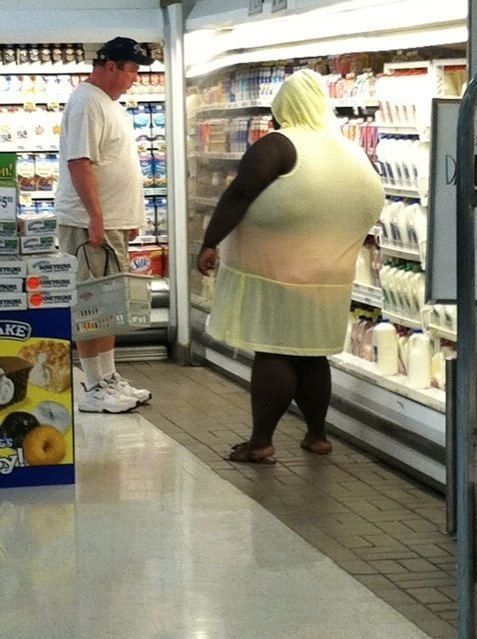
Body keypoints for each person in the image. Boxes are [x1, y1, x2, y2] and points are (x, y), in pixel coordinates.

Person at [197, 69, 384, 464]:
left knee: (274, 350)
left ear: (283, 108)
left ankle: (261, 441)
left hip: (278, 269)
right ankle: (317, 435)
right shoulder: (350, 149)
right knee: (312, 354)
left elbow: (238, 195)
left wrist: (209, 242)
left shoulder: (279, 145)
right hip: (329, 272)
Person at [55, 37, 153, 413]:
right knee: (91, 305)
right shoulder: (86, 103)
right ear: (110, 65)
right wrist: (96, 217)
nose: (135, 78)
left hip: (111, 224)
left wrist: (129, 218)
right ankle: (93, 385)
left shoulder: (108, 104)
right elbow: (79, 163)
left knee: (110, 305)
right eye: (131, 70)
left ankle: (107, 376)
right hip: (89, 224)